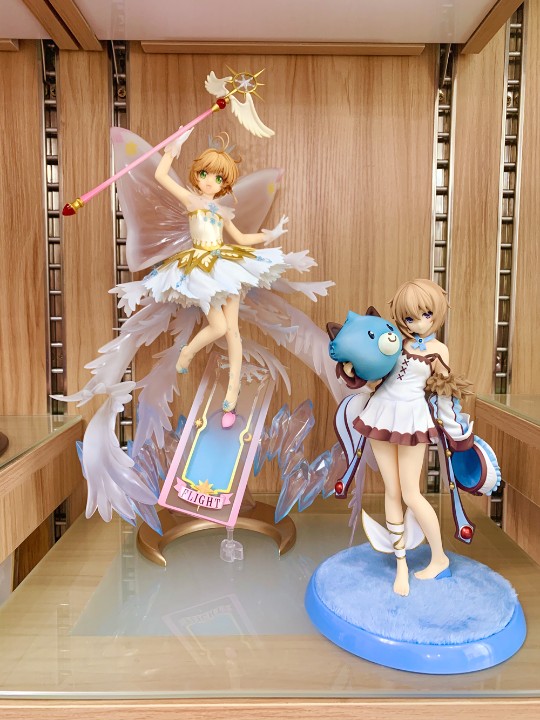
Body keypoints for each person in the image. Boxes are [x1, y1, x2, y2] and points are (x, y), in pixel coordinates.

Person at [149, 129, 288, 428]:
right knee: (219, 326)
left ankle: (232, 389)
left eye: (218, 178)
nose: (210, 182)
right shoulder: (190, 199)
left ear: (225, 184)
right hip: (202, 266)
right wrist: (173, 148)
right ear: (197, 175)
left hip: (225, 265)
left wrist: (269, 235)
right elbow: (161, 175)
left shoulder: (221, 210)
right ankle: (188, 352)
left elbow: (241, 238)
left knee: (233, 331)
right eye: (204, 174)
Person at [341, 279, 472, 596]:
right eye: (410, 318)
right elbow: (374, 374)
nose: (418, 323)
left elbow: (444, 393)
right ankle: (401, 564)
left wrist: (455, 430)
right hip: (380, 415)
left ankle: (439, 558)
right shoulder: (394, 338)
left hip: (413, 419)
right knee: (392, 490)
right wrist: (353, 369)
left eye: (426, 314)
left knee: (412, 493)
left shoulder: (438, 351)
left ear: (437, 312)